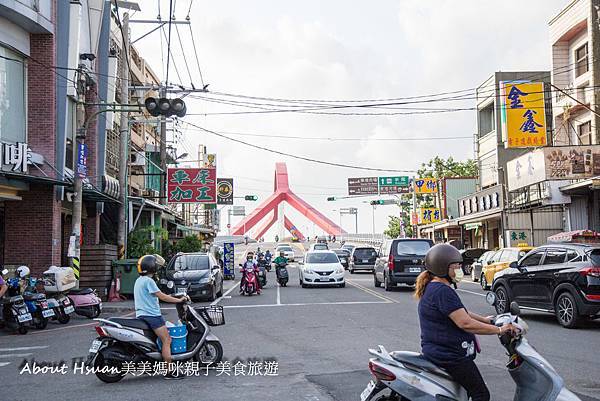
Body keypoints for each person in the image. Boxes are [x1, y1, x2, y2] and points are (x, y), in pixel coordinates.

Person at [414, 244, 516, 401]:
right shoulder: (442, 291)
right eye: (456, 266)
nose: (460, 269)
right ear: (442, 267)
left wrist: (485, 320)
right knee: (481, 394)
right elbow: (465, 323)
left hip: (439, 351)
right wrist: (500, 330)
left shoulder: (434, 287)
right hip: (449, 356)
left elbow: (459, 311)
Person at [134, 254, 189, 380]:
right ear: (152, 267)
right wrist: (179, 300)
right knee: (167, 340)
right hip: (152, 316)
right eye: (156, 266)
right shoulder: (149, 281)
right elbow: (162, 296)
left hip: (141, 314)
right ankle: (169, 371)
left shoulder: (139, 280)